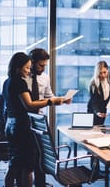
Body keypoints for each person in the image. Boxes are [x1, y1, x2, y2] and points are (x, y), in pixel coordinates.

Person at [2, 52, 63, 187]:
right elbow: (29, 105)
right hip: (22, 127)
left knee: (14, 163)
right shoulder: (19, 82)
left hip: (11, 124)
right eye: (27, 68)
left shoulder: (7, 82)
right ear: (18, 67)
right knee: (28, 166)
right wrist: (49, 102)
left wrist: (48, 100)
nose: (29, 71)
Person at [26, 48, 71, 187]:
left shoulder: (45, 77)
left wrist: (62, 99)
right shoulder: (23, 76)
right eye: (41, 65)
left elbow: (49, 96)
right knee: (27, 159)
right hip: (24, 121)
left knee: (42, 156)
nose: (43, 68)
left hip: (39, 121)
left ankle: (40, 183)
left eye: (45, 65)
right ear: (32, 62)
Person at [87, 60, 110, 125]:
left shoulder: (108, 75)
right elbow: (94, 101)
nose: (103, 75)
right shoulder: (93, 84)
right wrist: (97, 112)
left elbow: (107, 90)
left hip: (103, 108)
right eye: (100, 73)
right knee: (94, 131)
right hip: (94, 110)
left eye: (104, 72)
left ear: (107, 70)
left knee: (101, 127)